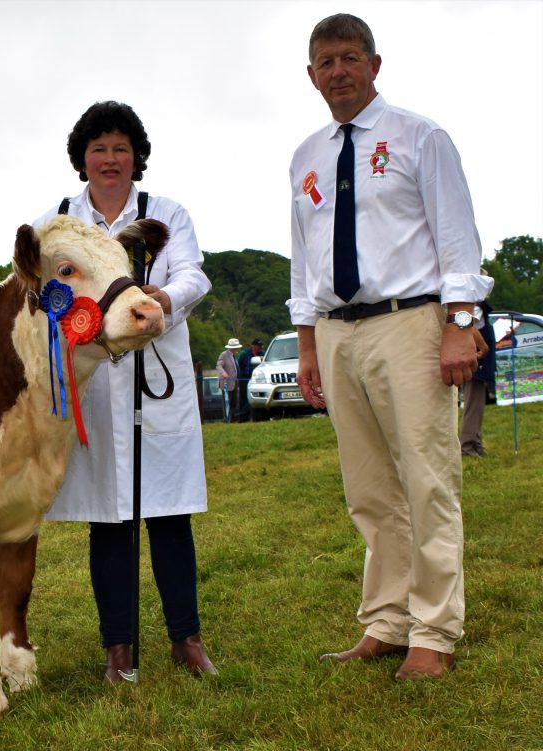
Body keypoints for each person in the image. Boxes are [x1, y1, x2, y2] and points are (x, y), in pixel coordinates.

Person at [288, 14, 492, 680]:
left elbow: (456, 236)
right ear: (311, 75)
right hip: (340, 330)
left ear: (375, 65)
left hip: (410, 321)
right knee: (369, 486)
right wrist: (309, 345)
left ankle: (434, 628)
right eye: (326, 61)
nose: (339, 71)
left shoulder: (419, 137)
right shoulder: (306, 157)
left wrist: (461, 322)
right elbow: (305, 261)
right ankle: (387, 619)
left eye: (351, 58)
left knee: (427, 477)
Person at [35, 100, 217, 682]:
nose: (109, 159)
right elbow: (35, 295)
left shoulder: (165, 212)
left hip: (156, 372)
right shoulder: (58, 223)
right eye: (98, 148)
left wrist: (160, 300)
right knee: (108, 518)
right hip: (88, 384)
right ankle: (119, 649)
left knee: (167, 514)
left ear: (136, 155)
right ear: (81, 158)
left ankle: (185, 638)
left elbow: (192, 273)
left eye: (120, 148)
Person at [460, 300, 496, 457]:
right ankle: (467, 446)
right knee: (473, 404)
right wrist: (484, 347)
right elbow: (467, 325)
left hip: (479, 361)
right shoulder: (473, 305)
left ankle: (476, 442)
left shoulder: (478, 306)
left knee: (478, 404)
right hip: (476, 359)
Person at [235, 338, 263, 422]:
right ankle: (242, 418)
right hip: (244, 379)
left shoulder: (262, 354)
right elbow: (238, 365)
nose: (260, 348)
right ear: (253, 346)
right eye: (259, 346)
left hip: (256, 380)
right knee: (244, 398)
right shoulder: (244, 354)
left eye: (261, 346)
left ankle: (253, 417)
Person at [216, 338, 242, 422]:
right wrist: (223, 373)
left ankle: (233, 418)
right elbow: (219, 366)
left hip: (234, 382)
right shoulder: (224, 355)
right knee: (227, 402)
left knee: (234, 402)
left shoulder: (233, 356)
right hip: (226, 383)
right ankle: (227, 419)